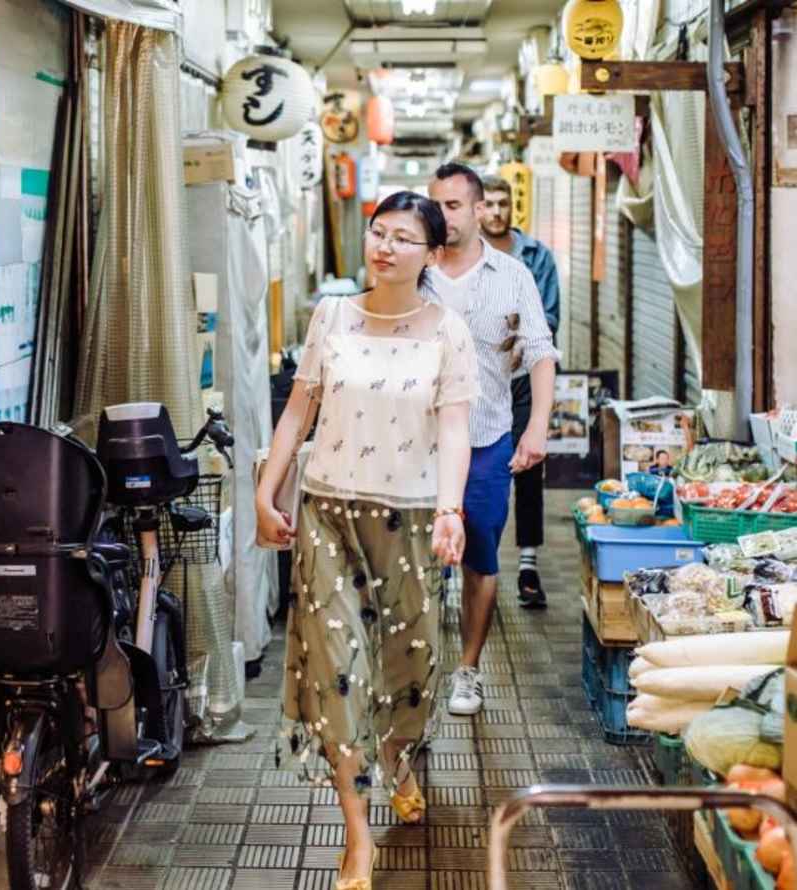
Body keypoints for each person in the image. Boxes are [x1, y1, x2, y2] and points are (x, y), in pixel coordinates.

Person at [256, 191, 476, 890]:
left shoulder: (448, 330)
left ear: (431, 253)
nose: (383, 247)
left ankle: (400, 759)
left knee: (408, 668)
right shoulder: (332, 316)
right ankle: (357, 834)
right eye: (378, 233)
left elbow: (453, 428)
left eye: (403, 238)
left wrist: (450, 508)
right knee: (334, 668)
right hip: (327, 512)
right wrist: (266, 491)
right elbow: (298, 412)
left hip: (410, 515)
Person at [428, 163, 558, 717]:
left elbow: (540, 353)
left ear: (481, 209)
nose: (442, 217)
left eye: (454, 206)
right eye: (435, 206)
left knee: (480, 555)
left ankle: (468, 669)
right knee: (412, 558)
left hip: (486, 439)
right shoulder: (414, 271)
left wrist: (537, 428)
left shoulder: (513, 274)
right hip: (416, 445)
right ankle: (413, 669)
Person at [481, 174, 561, 610]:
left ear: (514, 207)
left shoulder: (535, 256)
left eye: (502, 203)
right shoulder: (462, 257)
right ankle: (476, 564)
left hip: (522, 381)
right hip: (474, 385)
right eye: (488, 203)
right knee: (479, 470)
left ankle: (528, 563)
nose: (496, 211)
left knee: (528, 469)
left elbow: (546, 320)